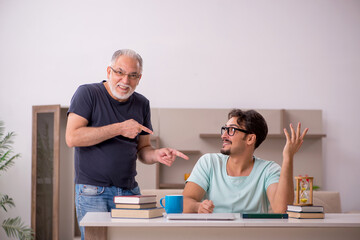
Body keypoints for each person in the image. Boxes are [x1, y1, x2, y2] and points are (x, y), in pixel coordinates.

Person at [66, 49, 189, 239]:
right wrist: (119, 128)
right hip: (93, 192)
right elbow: (72, 137)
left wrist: (156, 155)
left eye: (132, 76)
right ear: (109, 71)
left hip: (129, 192)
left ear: (139, 78)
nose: (125, 81)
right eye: (120, 72)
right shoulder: (88, 93)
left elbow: (143, 149)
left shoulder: (142, 103)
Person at [183, 109, 308, 213]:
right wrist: (197, 207)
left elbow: (281, 210)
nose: (223, 135)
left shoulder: (269, 170)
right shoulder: (209, 162)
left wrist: (288, 157)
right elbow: (185, 201)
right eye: (224, 129)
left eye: (231, 130)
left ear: (250, 139)